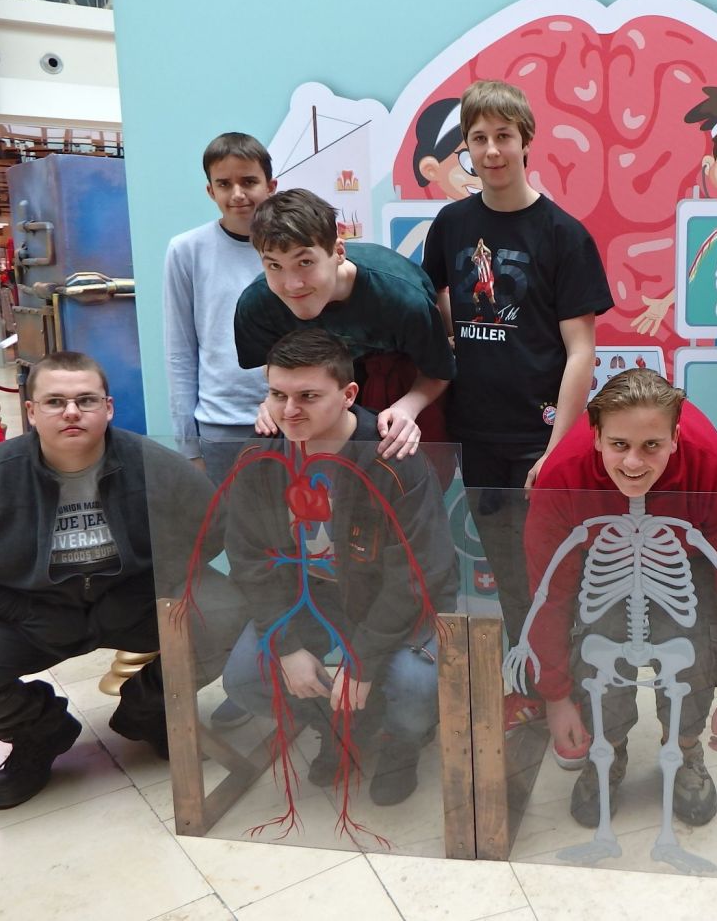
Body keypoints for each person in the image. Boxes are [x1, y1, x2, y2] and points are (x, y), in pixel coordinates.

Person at [0, 351, 232, 809]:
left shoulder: (155, 466)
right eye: (55, 402)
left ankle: (149, 709)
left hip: (130, 606)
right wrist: (22, 610)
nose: (71, 412)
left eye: (86, 400)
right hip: (27, 617)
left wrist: (145, 588)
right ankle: (39, 732)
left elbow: (212, 529)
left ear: (108, 407)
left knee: (226, 609)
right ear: (31, 412)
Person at [421, 79, 613, 729]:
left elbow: (581, 351)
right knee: (509, 577)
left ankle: (579, 698)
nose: (492, 150)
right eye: (478, 138)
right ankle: (533, 689)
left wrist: (556, 451)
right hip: (479, 436)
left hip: (541, 440)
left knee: (557, 579)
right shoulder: (451, 224)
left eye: (504, 136)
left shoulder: (563, 235)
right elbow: (435, 299)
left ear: (526, 141)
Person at [507, 368, 717, 828]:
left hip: (684, 558)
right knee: (595, 636)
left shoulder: (715, 471)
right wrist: (556, 695)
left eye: (651, 445)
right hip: (599, 555)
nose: (633, 462)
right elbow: (549, 595)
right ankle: (608, 750)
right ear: (595, 437)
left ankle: (685, 749)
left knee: (692, 638)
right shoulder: (563, 475)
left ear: (675, 437)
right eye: (619, 445)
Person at [221, 329, 458, 806]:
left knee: (414, 688)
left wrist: (361, 662)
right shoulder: (260, 456)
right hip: (314, 598)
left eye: (308, 396)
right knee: (246, 676)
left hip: (393, 600)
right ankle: (343, 726)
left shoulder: (393, 457)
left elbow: (418, 573)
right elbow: (249, 559)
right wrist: (287, 644)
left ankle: (401, 741)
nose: (289, 411)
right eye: (278, 395)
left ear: (348, 394)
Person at [234, 188, 455, 459]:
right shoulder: (257, 304)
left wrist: (407, 408)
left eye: (305, 262)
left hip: (399, 387)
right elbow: (270, 366)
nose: (292, 284)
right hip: (319, 406)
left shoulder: (402, 297)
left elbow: (439, 371)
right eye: (274, 266)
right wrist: (278, 400)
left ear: (338, 251)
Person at [164, 132, 276, 484]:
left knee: (303, 518)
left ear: (271, 186)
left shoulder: (296, 248)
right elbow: (180, 350)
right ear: (211, 191)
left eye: (249, 181)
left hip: (294, 416)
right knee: (232, 520)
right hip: (222, 424)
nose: (238, 194)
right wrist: (188, 444)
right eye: (224, 184)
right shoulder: (186, 250)